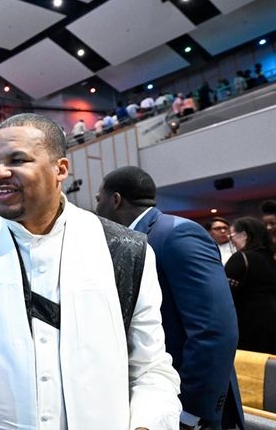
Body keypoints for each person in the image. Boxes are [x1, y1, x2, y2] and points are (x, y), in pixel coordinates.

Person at [0, 113, 180, 429]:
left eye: (18, 160)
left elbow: (151, 367)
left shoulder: (126, 248)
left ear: (60, 169)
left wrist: (146, 424)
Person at [96, 166, 244, 430]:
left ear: (115, 200)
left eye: (98, 200)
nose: (96, 209)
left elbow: (215, 330)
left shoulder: (177, 234)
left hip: (187, 407)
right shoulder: (126, 242)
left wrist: (190, 411)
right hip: (149, 401)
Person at [225, 217, 276, 354]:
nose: (231, 240)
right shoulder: (271, 258)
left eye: (232, 235)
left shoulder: (240, 258)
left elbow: (225, 295)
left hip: (248, 322)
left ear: (244, 235)